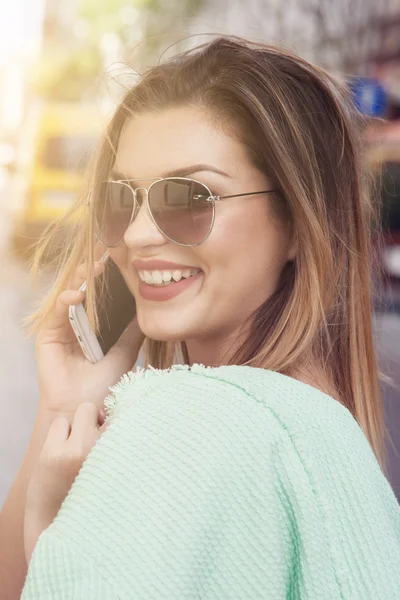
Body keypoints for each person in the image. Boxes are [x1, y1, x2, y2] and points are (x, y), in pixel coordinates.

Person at [1, 35, 400, 598]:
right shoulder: (333, 440)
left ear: (295, 219)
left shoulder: (183, 423)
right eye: (121, 200)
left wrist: (49, 528)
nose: (137, 235)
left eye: (190, 199)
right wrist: (69, 406)